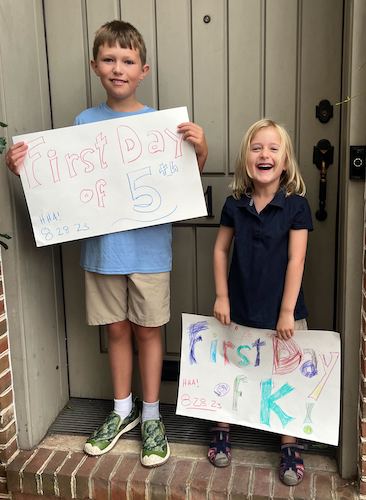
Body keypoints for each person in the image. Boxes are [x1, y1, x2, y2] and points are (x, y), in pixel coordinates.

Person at [6, 19, 208, 468]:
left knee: (149, 330)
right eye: (109, 59)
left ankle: (153, 414)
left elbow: (183, 179)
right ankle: (123, 409)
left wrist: (201, 148)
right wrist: (26, 170)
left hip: (150, 251)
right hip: (102, 251)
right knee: (116, 329)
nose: (118, 68)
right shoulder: (84, 123)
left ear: (144, 69)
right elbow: (64, 184)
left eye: (128, 60)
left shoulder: (161, 126)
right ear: (95, 65)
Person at [210, 118, 312, 486]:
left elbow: (296, 260)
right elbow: (221, 250)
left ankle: (289, 443)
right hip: (238, 306)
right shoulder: (234, 204)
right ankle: (222, 428)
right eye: (256, 148)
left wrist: (286, 311)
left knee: (285, 374)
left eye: (273, 149)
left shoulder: (296, 206)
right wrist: (222, 295)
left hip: (283, 311)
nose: (264, 154)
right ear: (246, 159)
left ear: (285, 162)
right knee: (233, 369)